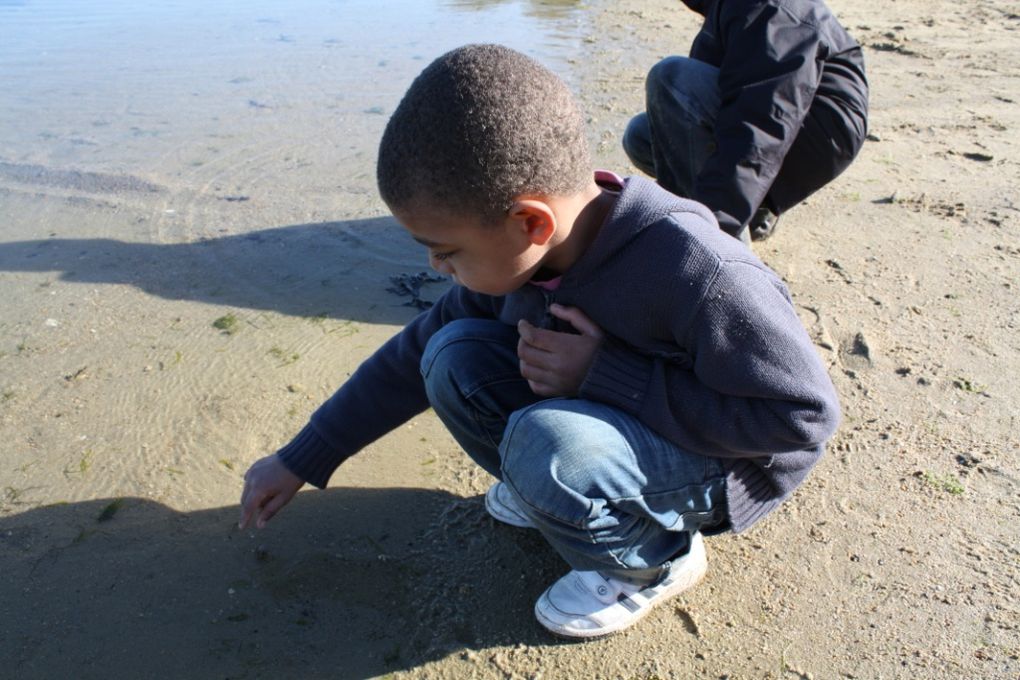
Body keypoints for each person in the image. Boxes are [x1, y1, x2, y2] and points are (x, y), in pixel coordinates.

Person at [239, 43, 840, 639]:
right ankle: (556, 494)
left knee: (546, 448)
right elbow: (412, 353)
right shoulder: (525, 261)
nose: (435, 265)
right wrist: (303, 455)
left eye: (446, 251)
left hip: (717, 461)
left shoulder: (699, 271)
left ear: (531, 223)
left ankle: (655, 559)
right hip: (613, 422)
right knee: (449, 355)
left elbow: (800, 419)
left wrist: (605, 377)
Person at [622, 0, 869, 242]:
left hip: (819, 132)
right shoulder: (727, 7)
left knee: (673, 80)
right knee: (641, 136)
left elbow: (761, 124)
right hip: (787, 118)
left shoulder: (768, 9)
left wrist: (714, 227)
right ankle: (752, 209)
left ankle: (705, 240)